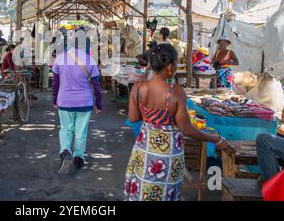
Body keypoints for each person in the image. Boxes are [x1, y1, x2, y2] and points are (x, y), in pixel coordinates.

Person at [124, 42, 236, 201]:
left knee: (143, 191)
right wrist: (217, 139)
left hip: (144, 150)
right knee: (165, 194)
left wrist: (152, 118)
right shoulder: (176, 92)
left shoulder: (138, 87)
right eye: (176, 64)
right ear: (169, 67)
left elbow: (133, 118)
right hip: (168, 155)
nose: (176, 68)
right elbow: (186, 129)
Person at [52, 29, 102, 174]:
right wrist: (99, 104)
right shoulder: (90, 60)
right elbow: (97, 85)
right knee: (81, 132)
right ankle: (78, 158)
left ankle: (65, 152)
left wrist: (55, 100)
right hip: (84, 102)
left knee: (66, 129)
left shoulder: (60, 58)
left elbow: (55, 83)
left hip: (65, 101)